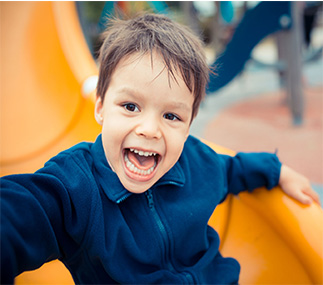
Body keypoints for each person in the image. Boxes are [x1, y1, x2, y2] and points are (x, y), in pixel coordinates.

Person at [0, 13, 320, 284]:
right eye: (130, 106)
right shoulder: (74, 188)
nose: (150, 130)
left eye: (171, 116)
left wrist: (277, 171)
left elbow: (232, 168)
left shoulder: (197, 161)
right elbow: (24, 212)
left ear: (189, 124)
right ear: (100, 107)